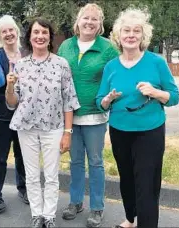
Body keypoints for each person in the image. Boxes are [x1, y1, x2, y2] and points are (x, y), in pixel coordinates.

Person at [96, 7, 179, 228]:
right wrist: (107, 99)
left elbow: (174, 97)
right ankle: (130, 219)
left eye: (136, 31)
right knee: (127, 179)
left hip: (149, 131)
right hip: (119, 130)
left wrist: (156, 92)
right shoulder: (111, 66)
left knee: (146, 182)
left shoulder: (156, 62)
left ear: (143, 36)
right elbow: (100, 101)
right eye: (126, 31)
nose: (131, 35)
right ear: (118, 36)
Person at [5, 18, 80, 228]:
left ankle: (49, 215)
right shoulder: (20, 65)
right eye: (36, 32)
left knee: (51, 174)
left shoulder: (61, 64)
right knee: (31, 175)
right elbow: (12, 103)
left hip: (53, 127)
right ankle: (36, 214)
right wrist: (10, 87)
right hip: (26, 128)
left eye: (44, 32)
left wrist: (68, 132)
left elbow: (69, 100)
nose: (40, 36)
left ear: (49, 37)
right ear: (29, 37)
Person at [57, 3, 119, 227]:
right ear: (78, 21)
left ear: (100, 24)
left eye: (94, 19)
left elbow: (117, 74)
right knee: (74, 162)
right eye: (86, 18)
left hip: (95, 116)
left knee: (95, 162)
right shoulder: (66, 46)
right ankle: (75, 202)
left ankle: (97, 207)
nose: (89, 22)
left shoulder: (108, 48)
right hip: (70, 116)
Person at [0, 15, 28, 214]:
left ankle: (24, 188)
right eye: (4, 31)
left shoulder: (27, 53)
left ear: (17, 31)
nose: (8, 34)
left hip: (25, 114)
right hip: (2, 114)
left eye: (11, 30)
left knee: (23, 155)